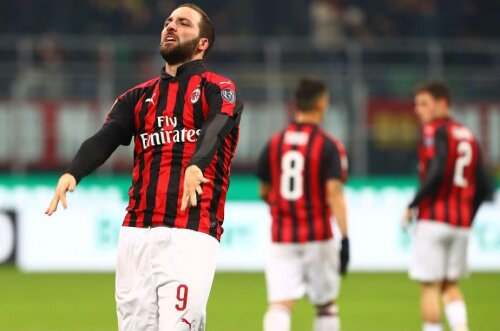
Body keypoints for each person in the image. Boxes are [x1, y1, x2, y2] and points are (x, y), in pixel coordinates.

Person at [45, 3, 243, 330]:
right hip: (136, 233)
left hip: (190, 230)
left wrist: (196, 165)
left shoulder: (217, 87)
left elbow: (218, 125)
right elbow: (106, 137)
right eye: (168, 21)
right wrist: (73, 172)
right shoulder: (137, 96)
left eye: (183, 23)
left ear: (202, 42)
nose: (171, 27)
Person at [256, 78, 350, 331]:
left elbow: (263, 190)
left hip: (282, 236)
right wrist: (345, 238)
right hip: (318, 235)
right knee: (326, 306)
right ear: (322, 103)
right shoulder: (329, 146)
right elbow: (334, 194)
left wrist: (282, 207)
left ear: (295, 103)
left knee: (280, 305)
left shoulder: (274, 143)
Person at [403, 81, 494, 331]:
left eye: (424, 104)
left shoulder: (433, 131)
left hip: (433, 219)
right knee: (450, 284)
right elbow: (486, 188)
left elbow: (437, 170)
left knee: (429, 286)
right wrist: (467, 216)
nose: (417, 110)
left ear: (442, 104)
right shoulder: (468, 135)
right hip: (461, 224)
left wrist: (413, 203)